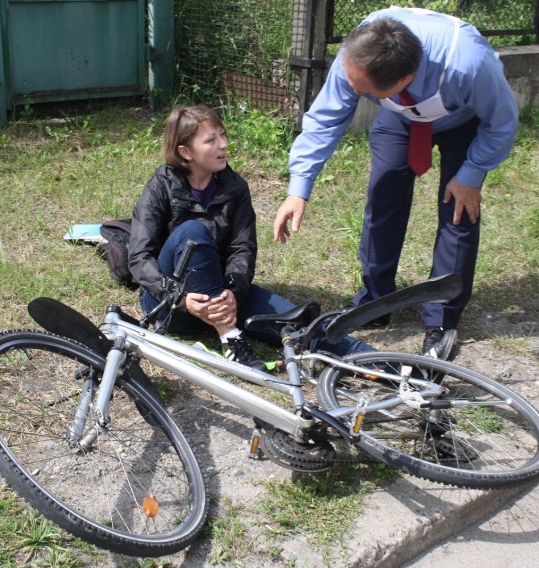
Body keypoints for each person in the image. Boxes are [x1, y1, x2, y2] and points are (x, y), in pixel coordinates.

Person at [272, 7, 519, 361]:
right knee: (383, 197)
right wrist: (299, 187)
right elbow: (326, 119)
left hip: (463, 121)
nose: (350, 90)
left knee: (458, 211)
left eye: (361, 90)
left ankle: (441, 320)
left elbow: (502, 122)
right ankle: (375, 300)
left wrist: (472, 173)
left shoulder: (470, 65)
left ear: (404, 79)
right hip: (400, 119)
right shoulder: (358, 53)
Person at [128, 105, 372, 371]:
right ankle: (231, 337)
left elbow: (242, 248)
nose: (223, 145)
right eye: (211, 140)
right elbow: (140, 256)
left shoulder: (234, 187)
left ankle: (393, 366)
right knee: (192, 231)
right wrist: (179, 298)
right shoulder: (160, 186)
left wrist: (233, 292)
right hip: (172, 306)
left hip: (223, 297)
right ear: (185, 152)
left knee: (300, 324)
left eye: (223, 135)